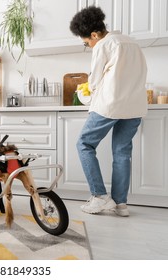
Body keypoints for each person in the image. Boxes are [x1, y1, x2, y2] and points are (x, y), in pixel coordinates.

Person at [69, 6, 147, 217]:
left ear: (94, 35)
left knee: (84, 144)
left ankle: (100, 197)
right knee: (122, 153)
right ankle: (121, 204)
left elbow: (94, 81)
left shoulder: (103, 44)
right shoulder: (132, 43)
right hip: (135, 106)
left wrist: (85, 91)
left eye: (86, 42)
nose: (88, 45)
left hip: (110, 104)